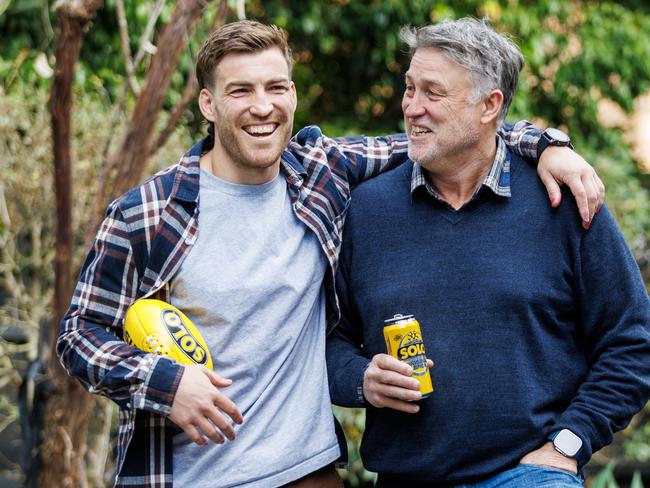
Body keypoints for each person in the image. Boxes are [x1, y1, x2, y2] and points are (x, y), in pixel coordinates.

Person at [57, 20, 605, 488]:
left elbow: (459, 135)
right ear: (208, 103)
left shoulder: (320, 172)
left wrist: (547, 145)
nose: (262, 107)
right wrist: (164, 384)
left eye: (276, 87)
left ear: (294, 93)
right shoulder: (147, 213)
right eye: (240, 91)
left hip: (310, 471)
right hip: (193, 473)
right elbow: (79, 333)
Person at [326, 17, 650, 487]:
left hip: (528, 474)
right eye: (409, 88)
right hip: (406, 477)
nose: (411, 107)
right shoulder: (365, 209)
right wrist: (362, 379)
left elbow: (631, 342)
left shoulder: (564, 201)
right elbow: (327, 343)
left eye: (432, 93)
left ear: (489, 105)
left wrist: (570, 442)